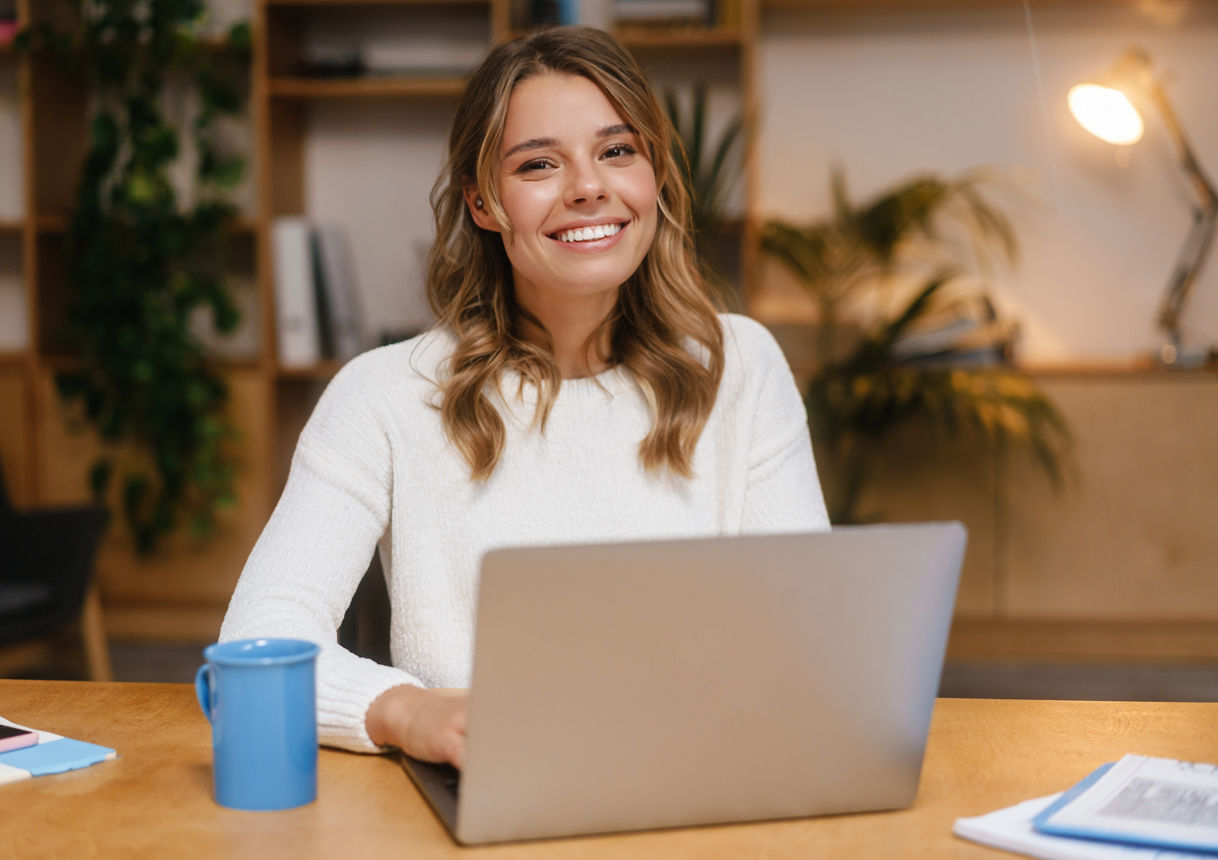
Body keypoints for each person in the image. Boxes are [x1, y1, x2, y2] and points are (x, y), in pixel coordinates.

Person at [220, 26, 829, 769]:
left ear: (654, 177)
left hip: (703, 782)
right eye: (539, 163)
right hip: (486, 793)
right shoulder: (382, 398)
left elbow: (801, 640)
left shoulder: (741, 368)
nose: (587, 187)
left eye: (617, 150)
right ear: (483, 204)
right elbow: (259, 642)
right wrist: (406, 710)